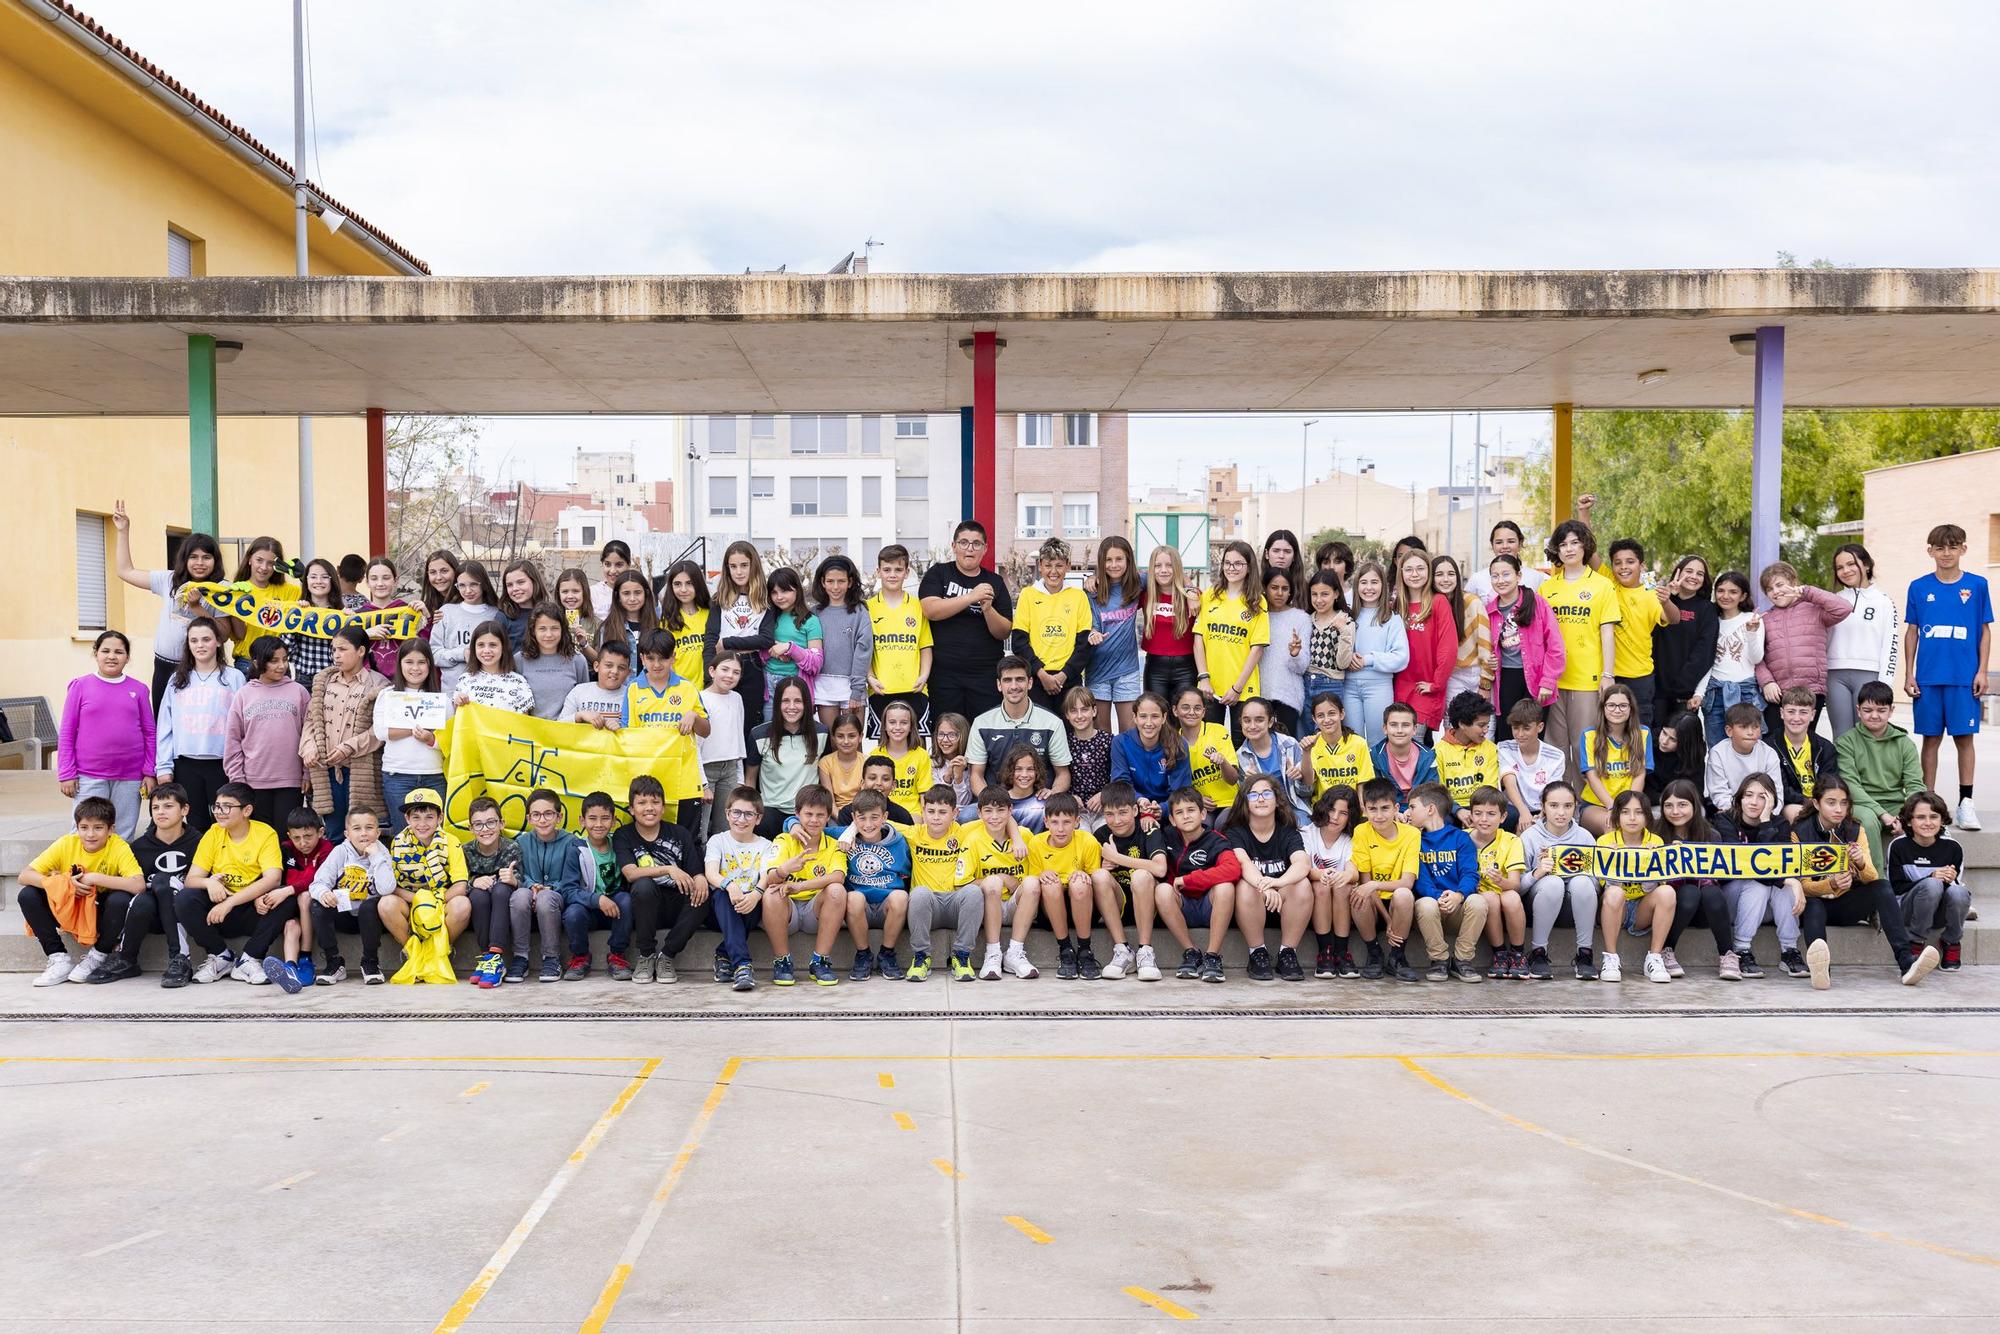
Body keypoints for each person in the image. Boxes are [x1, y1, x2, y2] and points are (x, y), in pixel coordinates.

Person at [1795, 777, 1936, 990]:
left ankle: (1907, 962)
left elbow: (1872, 877)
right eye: (1831, 802)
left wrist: (1860, 862)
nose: (1839, 809)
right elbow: (1803, 886)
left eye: (1844, 803)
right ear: (1816, 804)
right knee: (1813, 904)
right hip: (1816, 906)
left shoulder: (1854, 829)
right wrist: (1830, 884)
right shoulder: (1800, 831)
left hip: (1848, 905)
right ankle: (1822, 971)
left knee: (1882, 886)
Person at [1903, 523, 1992, 830]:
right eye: (1940, 548)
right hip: (1928, 678)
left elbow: (1984, 631)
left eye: (1953, 547)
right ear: (1930, 551)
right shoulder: (1918, 586)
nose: (1946, 553)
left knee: (1964, 739)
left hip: (1963, 678)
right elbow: (1912, 631)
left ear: (1963, 549)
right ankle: (1928, 806)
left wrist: (1981, 670)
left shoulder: (1978, 585)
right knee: (1930, 739)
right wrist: (1909, 673)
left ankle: (1966, 803)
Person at [17, 794, 144, 986]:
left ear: (111, 830)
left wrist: (94, 878)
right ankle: (58, 958)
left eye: (98, 828)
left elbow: (138, 885)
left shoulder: (118, 846)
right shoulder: (66, 843)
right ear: (77, 828)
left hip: (99, 913)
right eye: (84, 828)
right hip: (70, 906)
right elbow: (25, 876)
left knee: (120, 899)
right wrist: (65, 884)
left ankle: (98, 955)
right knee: (27, 894)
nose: (90, 834)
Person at [110, 500, 222, 710]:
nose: (200, 563)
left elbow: (223, 635)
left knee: (195, 723)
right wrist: (123, 531)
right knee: (162, 722)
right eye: (193, 557)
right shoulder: (169, 580)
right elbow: (125, 571)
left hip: (201, 668)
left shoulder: (223, 589)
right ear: (184, 559)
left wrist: (198, 609)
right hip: (164, 665)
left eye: (206, 557)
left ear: (215, 561)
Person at [173, 782, 288, 985]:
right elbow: (192, 879)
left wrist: (230, 902)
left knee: (286, 898)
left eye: (227, 806)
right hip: (217, 911)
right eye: (217, 806)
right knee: (185, 898)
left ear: (247, 810)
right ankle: (220, 956)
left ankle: (250, 958)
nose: (219, 812)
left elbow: (273, 878)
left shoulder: (265, 833)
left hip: (253, 908)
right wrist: (209, 883)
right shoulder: (213, 833)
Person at [94, 784, 201, 986]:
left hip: (185, 914)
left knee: (164, 881)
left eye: (168, 806)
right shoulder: (140, 847)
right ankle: (127, 959)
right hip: (150, 917)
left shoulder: (200, 842)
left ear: (184, 810)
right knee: (139, 900)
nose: (161, 812)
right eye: (156, 807)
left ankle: (180, 959)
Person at [57, 630, 155, 840]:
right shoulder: (80, 686)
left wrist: (149, 771)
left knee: (122, 834)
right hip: (89, 774)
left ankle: (118, 874)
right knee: (86, 833)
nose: (112, 656)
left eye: (119, 651)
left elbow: (149, 732)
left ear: (127, 657)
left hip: (130, 776)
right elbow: (66, 732)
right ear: (95, 653)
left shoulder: (139, 690)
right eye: (106, 651)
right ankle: (81, 872)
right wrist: (66, 772)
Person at [617, 774, 711, 984]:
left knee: (704, 893)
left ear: (663, 807)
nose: (649, 808)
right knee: (642, 886)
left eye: (655, 802)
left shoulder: (680, 833)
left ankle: (667, 955)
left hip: (677, 905)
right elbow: (631, 873)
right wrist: (668, 869)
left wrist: (701, 879)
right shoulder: (624, 835)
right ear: (631, 809)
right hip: (645, 908)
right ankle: (646, 955)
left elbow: (695, 871)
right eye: (642, 803)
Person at [1539, 519, 1621, 760]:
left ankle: (1586, 798)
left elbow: (1608, 632)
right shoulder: (1547, 588)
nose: (1569, 549)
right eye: (1563, 544)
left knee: (1585, 744)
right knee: (1556, 747)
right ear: (1557, 550)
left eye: (1575, 542)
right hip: (1554, 680)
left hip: (1588, 679)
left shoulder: (1602, 585)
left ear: (1585, 546)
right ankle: (1560, 798)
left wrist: (1608, 675)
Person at [1709, 773, 1803, 981]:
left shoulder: (1779, 824)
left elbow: (1779, 863)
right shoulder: (1725, 820)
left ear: (1771, 801)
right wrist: (1787, 880)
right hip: (1731, 902)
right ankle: (1742, 950)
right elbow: (1744, 865)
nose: (1753, 801)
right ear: (1739, 798)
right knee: (1759, 882)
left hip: (1767, 907)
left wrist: (1766, 822)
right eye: (1748, 795)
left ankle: (1790, 951)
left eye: (1762, 796)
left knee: (1782, 886)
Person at [154, 616, 243, 832]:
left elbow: (243, 725)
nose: (200, 645)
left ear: (219, 641)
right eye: (194, 641)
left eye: (206, 639)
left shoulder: (234, 677)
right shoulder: (177, 680)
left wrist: (241, 765)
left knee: (225, 823)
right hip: (186, 764)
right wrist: (163, 767)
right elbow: (165, 726)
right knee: (195, 825)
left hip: (223, 765)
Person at [920, 520, 1013, 722]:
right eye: (963, 542)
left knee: (983, 736)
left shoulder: (995, 582)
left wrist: (988, 609)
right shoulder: (939, 573)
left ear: (985, 549)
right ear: (954, 546)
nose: (969, 549)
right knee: (947, 735)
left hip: (985, 676)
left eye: (976, 544)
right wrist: (970, 597)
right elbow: (930, 610)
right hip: (944, 675)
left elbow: (1004, 631)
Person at [301, 626, 389, 840]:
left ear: (360, 651)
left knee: (362, 832)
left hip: (359, 771)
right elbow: (311, 719)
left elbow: (379, 730)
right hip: (327, 768)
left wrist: (350, 746)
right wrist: (309, 746)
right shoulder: (325, 682)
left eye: (342, 649)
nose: (336, 655)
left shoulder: (379, 684)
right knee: (333, 832)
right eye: (333, 650)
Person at [1222, 772, 1311, 981]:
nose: (1260, 799)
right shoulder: (1236, 832)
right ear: (1245, 802)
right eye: (1253, 795)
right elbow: (1243, 863)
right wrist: (1265, 887)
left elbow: (1302, 863)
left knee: (1303, 884)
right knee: (1245, 886)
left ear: (1278, 800)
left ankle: (1288, 953)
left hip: (1285, 902)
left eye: (1266, 794)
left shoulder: (1287, 831)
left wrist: (1277, 883)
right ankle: (1257, 952)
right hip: (1253, 902)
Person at [380, 787, 472, 984]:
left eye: (429, 817)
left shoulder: (451, 841)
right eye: (416, 817)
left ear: (440, 818)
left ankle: (440, 951)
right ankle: (414, 953)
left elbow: (460, 885)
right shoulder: (398, 842)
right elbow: (390, 886)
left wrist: (433, 902)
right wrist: (420, 901)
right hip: (411, 902)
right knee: (386, 904)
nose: (422, 824)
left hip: (441, 902)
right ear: (407, 819)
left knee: (462, 905)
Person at [760, 784, 848, 986]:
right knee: (772, 893)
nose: (814, 820)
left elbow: (838, 877)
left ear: (828, 817)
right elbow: (771, 877)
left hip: (814, 911)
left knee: (837, 891)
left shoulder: (833, 845)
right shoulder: (783, 840)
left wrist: (801, 886)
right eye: (808, 814)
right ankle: (782, 961)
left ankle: (820, 961)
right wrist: (785, 870)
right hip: (787, 910)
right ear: (797, 814)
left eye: (820, 815)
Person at [1835, 680, 1928, 871]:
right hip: (1862, 804)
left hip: (1897, 804)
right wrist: (1883, 815)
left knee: (1929, 817)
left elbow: (1914, 785)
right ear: (1858, 710)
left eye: (1881, 710)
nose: (1874, 715)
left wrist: (1906, 815)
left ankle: (1933, 878)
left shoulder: (1904, 743)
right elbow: (1850, 785)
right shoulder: (1846, 742)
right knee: (1868, 821)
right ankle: (1877, 881)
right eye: (1868, 710)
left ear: (1891, 710)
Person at [1753, 561, 1851, 738]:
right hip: (1778, 693)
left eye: (1780, 584)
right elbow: (1756, 656)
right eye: (1769, 589)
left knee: (1805, 741)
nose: (1775, 591)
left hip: (1812, 689)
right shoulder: (1765, 619)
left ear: (1794, 582)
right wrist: (1766, 681)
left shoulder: (1814, 610)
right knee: (1775, 743)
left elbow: (1844, 608)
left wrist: (1807, 592)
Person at [223, 637, 310, 833]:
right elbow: (233, 740)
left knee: (286, 837)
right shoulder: (243, 695)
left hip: (291, 781)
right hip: (253, 781)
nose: (281, 666)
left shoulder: (299, 692)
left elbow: (309, 736)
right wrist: (237, 779)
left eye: (285, 659)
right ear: (256, 662)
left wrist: (307, 772)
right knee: (259, 838)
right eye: (274, 661)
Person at [904, 784, 989, 982]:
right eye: (931, 811)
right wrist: (850, 832)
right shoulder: (913, 833)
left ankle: (961, 956)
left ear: (955, 813)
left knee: (973, 892)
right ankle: (921, 957)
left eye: (942, 812)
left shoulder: (963, 832)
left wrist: (1018, 838)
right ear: (922, 811)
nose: (936, 817)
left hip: (955, 905)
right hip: (927, 906)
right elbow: (880, 822)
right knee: (919, 893)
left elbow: (1000, 819)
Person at [1156, 786, 1241, 983]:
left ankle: (1212, 956)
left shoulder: (1216, 840)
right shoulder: (1167, 836)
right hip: (1181, 906)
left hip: (1209, 906)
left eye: (1191, 810)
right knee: (1161, 890)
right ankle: (1191, 952)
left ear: (1203, 813)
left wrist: (1189, 880)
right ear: (1172, 819)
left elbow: (1233, 869)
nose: (1185, 816)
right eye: (1179, 812)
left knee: (1226, 886)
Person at [1404, 782, 1486, 982]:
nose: (1408, 812)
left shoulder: (1460, 838)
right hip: (1430, 910)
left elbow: (1470, 873)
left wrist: (1458, 895)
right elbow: (1419, 878)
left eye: (1413, 807)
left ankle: (1462, 960)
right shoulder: (1414, 839)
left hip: (1457, 907)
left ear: (1430, 809)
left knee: (1478, 901)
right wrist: (1437, 896)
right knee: (1425, 903)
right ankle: (1439, 960)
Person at [1594, 789, 1676, 984]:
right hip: (1616, 908)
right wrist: (1616, 860)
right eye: (1625, 812)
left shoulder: (1656, 841)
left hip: (1642, 908)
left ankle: (1654, 958)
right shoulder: (1605, 841)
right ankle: (1611, 958)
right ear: (1617, 816)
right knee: (1614, 892)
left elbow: (1653, 887)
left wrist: (1648, 859)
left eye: (1639, 812)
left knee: (1667, 892)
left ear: (1647, 817)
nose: (1632, 818)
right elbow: (1607, 887)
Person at [1519, 781, 1598, 980]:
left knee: (1582, 882)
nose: (1561, 812)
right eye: (1554, 805)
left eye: (1568, 806)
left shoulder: (1585, 837)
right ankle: (1538, 954)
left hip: (1574, 905)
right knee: (1552, 883)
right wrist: (1536, 873)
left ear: (1575, 807)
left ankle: (1585, 954)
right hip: (1537, 904)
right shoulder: (1529, 837)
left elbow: (1596, 886)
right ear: (1543, 807)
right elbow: (1515, 888)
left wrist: (1580, 873)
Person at [959, 784, 1039, 979]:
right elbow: (961, 885)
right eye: (988, 811)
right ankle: (993, 952)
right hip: (987, 905)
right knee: (993, 882)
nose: (994, 816)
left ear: (1010, 811)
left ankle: (1014, 952)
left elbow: (1037, 873)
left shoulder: (1025, 836)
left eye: (1001, 810)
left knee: (1032, 883)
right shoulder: (973, 839)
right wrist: (1001, 878)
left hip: (1017, 906)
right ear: (979, 813)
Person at [1030, 793, 1112, 980]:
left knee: (1080, 883)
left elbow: (1096, 878)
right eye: (1055, 822)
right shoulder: (1036, 843)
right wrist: (1042, 874)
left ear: (1077, 821)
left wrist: (1085, 875)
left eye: (1066, 822)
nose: (1060, 829)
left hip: (1083, 906)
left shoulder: (1088, 841)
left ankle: (1085, 951)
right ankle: (1065, 950)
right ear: (1046, 822)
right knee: (1050, 884)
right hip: (1050, 910)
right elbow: (1032, 879)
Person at [1886, 791, 1971, 972]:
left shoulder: (1953, 847)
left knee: (1960, 891)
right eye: (1920, 817)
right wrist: (1930, 878)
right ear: (1909, 821)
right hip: (1908, 910)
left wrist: (1948, 880)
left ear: (1942, 820)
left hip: (1939, 912)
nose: (1928, 822)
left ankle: (1951, 941)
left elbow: (1953, 890)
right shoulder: (1899, 846)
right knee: (1932, 884)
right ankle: (1915, 940)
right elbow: (1896, 888)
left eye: (1934, 816)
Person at [967, 656, 1072, 800]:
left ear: (1030, 683)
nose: (1014, 686)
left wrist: (1053, 792)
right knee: (966, 817)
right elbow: (976, 775)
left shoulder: (1052, 723)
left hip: (1036, 802)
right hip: (996, 803)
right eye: (1007, 680)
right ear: (999, 685)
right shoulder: (981, 723)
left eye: (1020, 679)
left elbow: (1063, 774)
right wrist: (990, 802)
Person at [374, 640, 451, 836]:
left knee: (436, 836)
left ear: (429, 665)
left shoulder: (441, 699)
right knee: (403, 836)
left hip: (434, 775)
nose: (415, 668)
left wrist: (430, 739)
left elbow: (450, 740)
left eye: (421, 662)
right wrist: (415, 728)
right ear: (400, 663)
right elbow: (382, 732)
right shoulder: (388, 694)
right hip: (397, 775)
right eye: (409, 662)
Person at [835, 790, 913, 980]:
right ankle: (863, 955)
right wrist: (850, 831)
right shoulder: (842, 835)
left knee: (900, 896)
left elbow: (907, 871)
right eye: (861, 818)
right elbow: (807, 828)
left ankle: (887, 953)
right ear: (853, 818)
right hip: (859, 909)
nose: (868, 824)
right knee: (853, 897)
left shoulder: (899, 841)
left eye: (874, 818)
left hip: (888, 907)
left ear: (885, 817)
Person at [1195, 540, 1269, 739]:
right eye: (1227, 563)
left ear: (1249, 567)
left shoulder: (1257, 601)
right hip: (1211, 688)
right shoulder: (1210, 595)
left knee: (1242, 747)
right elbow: (1199, 639)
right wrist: (1204, 678)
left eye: (1238, 563)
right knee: (1210, 745)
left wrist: (1237, 688)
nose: (1231, 568)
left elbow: (1257, 649)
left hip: (1243, 689)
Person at [1825, 542, 1900, 737]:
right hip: (1835, 675)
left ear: (1866, 565)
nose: (1846, 571)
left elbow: (1891, 646)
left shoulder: (1884, 602)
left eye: (1851, 564)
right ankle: (1843, 770)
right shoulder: (1832, 600)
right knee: (1841, 735)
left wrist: (1885, 684)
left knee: (1868, 734)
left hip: (1869, 675)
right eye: (1840, 567)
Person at [705, 786, 776, 991]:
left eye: (748, 814)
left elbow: (766, 877)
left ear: (758, 818)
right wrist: (730, 885)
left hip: (751, 906)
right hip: (719, 910)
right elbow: (711, 873)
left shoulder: (766, 845)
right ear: (727, 814)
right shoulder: (718, 840)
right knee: (721, 894)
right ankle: (743, 965)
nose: (741, 819)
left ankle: (724, 953)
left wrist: (756, 894)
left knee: (760, 899)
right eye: (736, 812)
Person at [1011, 537, 1095, 714]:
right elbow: (1019, 643)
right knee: (1038, 737)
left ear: (1068, 566)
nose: (1053, 571)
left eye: (1059, 565)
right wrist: (1041, 674)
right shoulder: (1028, 595)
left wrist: (1063, 675)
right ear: (1040, 565)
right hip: (1037, 678)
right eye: (1048, 565)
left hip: (1069, 679)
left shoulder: (1078, 597)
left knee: (1069, 736)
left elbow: (1084, 645)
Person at [1351, 777, 1422, 982]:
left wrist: (1375, 884)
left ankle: (1397, 957)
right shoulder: (1361, 831)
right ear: (1364, 809)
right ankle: (1374, 953)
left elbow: (1407, 882)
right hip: (1374, 902)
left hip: (1397, 899)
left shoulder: (1411, 834)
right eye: (1373, 809)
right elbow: (1366, 883)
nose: (1379, 815)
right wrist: (1388, 920)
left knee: (1404, 895)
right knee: (1358, 896)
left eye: (1385, 808)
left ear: (1396, 808)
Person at [1096, 782, 1168, 979]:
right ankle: (1122, 950)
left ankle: (1145, 950)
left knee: (1141, 875)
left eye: (1122, 812)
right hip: (1117, 906)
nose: (1116, 820)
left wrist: (1117, 858)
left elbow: (1160, 868)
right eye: (1110, 814)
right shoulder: (1101, 835)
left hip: (1146, 905)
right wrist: (1102, 867)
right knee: (1099, 876)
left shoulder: (1148, 829)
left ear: (1135, 810)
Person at [514, 789, 584, 985]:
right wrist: (531, 886)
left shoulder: (571, 842)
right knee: (519, 896)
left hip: (557, 896)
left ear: (559, 816)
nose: (542, 820)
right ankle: (520, 957)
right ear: (529, 818)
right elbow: (519, 873)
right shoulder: (521, 842)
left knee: (546, 899)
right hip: (530, 894)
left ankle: (551, 958)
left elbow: (572, 877)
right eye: (536, 815)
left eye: (548, 814)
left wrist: (550, 889)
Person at [1484, 553, 1564, 723]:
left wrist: (1548, 681)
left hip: (1535, 678)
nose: (1500, 580)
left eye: (1506, 574)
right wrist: (1489, 660)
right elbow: (1486, 647)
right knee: (1507, 733)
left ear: (1518, 576)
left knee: (1533, 732)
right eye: (1495, 576)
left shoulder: (1537, 603)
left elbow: (1555, 645)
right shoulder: (1489, 610)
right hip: (1505, 678)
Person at [864, 544, 933, 737]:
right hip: (881, 690)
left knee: (917, 748)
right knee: (885, 752)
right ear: (878, 572)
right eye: (887, 569)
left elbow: (925, 646)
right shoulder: (867, 608)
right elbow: (864, 649)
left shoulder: (918, 606)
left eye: (898, 569)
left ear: (907, 572)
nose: (892, 575)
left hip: (914, 688)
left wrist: (924, 676)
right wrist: (869, 677)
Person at [1651, 554, 1720, 738]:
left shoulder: (1708, 609)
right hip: (1656, 689)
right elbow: (1651, 637)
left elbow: (1704, 651)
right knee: (1657, 741)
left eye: (1700, 574)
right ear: (1678, 573)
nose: (1693, 576)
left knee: (1682, 744)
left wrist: (1683, 686)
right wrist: (1668, 598)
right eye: (1689, 571)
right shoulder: (1660, 601)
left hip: (1685, 693)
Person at [1390, 550, 1457, 741]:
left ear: (1428, 571)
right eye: (1409, 569)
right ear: (1401, 572)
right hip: (1400, 687)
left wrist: (1436, 683)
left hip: (1424, 688)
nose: (1415, 574)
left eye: (1420, 568)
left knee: (1414, 743)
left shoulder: (1438, 602)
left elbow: (1448, 648)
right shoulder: (1397, 605)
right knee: (1399, 746)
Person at [712, 541, 774, 746]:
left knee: (748, 726)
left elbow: (765, 639)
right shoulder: (719, 599)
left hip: (752, 668)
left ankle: (747, 777)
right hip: (722, 667)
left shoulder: (765, 599)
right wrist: (708, 673)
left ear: (753, 565)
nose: (739, 572)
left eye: (744, 565)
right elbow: (711, 640)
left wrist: (728, 642)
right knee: (721, 725)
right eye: (733, 566)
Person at [1600, 537, 1667, 723]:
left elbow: (1672, 617)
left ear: (1641, 565)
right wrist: (1584, 511)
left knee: (1639, 728)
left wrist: (1667, 600)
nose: (1623, 567)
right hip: (1609, 674)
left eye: (1630, 562)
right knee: (1609, 728)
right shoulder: (1609, 583)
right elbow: (1591, 554)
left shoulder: (1651, 593)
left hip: (1640, 676)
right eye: (1617, 563)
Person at [1341, 561, 1408, 746]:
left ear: (1383, 586)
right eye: (1363, 582)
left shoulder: (1392, 619)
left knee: (1378, 741)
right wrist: (1348, 658)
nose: (1368, 587)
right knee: (1352, 741)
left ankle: (1378, 776)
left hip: (1378, 686)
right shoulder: (1347, 616)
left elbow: (1401, 657)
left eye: (1374, 582)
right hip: (1349, 686)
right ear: (1356, 586)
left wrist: (1368, 660)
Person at [461, 796, 525, 986]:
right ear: (471, 828)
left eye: (491, 822)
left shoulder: (511, 847)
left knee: (501, 890)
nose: (485, 829)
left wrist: (514, 880)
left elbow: (522, 879)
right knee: (479, 896)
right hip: (480, 905)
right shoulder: (466, 851)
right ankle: (486, 958)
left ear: (501, 823)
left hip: (503, 902)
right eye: (478, 825)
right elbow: (456, 882)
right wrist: (474, 882)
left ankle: (496, 958)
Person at [1464, 786, 1528, 979]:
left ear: (1502, 817)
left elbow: (1515, 884)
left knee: (1511, 898)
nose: (1484, 819)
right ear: (1471, 815)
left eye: (1491, 814)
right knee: (1490, 898)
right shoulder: (1462, 838)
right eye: (1478, 813)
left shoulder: (1511, 840)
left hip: (1504, 890)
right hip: (1478, 898)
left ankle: (1518, 953)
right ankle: (1499, 953)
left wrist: (1500, 880)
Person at [267, 806, 331, 991]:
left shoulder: (327, 849)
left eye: (308, 836)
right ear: (289, 835)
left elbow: (315, 879)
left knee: (305, 896)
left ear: (320, 832)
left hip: (314, 905)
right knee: (291, 926)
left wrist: (287, 890)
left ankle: (306, 959)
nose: (302, 843)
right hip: (289, 907)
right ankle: (290, 968)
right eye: (296, 838)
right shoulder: (285, 849)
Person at [749, 677, 823, 836]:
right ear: (777, 704)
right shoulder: (759, 735)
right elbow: (750, 782)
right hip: (771, 810)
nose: (791, 707)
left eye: (798, 701)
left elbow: (826, 774)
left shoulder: (821, 733)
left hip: (808, 810)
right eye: (785, 701)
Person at [1697, 571, 1764, 745]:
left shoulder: (1752, 619)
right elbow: (1707, 662)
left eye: (1733, 592)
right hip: (1715, 693)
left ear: (1743, 596)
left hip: (1746, 692)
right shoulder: (1710, 620)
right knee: (1717, 749)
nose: (1725, 596)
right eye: (1721, 590)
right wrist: (1699, 693)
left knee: (1750, 746)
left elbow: (1756, 659)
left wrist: (1751, 632)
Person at [1575, 682, 1651, 834]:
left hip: (1630, 804)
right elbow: (1592, 777)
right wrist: (1612, 808)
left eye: (1623, 705)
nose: (1617, 710)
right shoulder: (1590, 735)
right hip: (1597, 805)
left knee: (1636, 825)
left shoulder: (1643, 733)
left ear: (1631, 708)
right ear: (1603, 708)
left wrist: (1628, 808)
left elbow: (1640, 774)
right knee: (1611, 825)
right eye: (1611, 705)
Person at [1086, 536, 1145, 731]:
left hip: (1127, 671)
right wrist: (1093, 633)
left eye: (1119, 559)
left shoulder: (1138, 583)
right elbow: (1090, 624)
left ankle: (1125, 764)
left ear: (1128, 560)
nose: (1113, 565)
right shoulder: (1092, 590)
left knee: (1129, 733)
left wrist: (1192, 591)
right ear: (1101, 562)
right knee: (1102, 734)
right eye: (1108, 560)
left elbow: (1174, 574)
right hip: (1098, 671)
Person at [1303, 784, 1360, 978]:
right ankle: (1325, 951)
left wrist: (1346, 875)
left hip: (1339, 895)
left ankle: (1342, 952)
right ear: (1322, 808)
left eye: (1343, 813)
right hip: (1315, 898)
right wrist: (1321, 874)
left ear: (1350, 816)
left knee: (1343, 886)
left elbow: (1353, 870)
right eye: (1331, 809)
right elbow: (1303, 867)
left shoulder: (1350, 839)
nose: (1335, 817)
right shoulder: (1307, 833)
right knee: (1321, 886)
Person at [219, 536, 299, 669]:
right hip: (247, 662)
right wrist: (236, 601)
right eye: (259, 560)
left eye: (271, 563)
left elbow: (315, 599)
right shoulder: (237, 589)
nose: (264, 567)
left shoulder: (289, 591)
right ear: (249, 559)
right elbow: (240, 634)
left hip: (278, 663)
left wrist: (302, 576)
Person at [811, 555, 873, 727]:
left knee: (853, 743)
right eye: (830, 581)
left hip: (852, 686)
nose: (835, 587)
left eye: (841, 581)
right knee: (832, 743)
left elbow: (864, 651)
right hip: (824, 685)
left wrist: (856, 691)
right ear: (822, 582)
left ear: (850, 582)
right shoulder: (814, 613)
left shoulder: (860, 612)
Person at [1232, 696, 1311, 829]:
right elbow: (1245, 803)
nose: (1252, 726)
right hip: (1261, 813)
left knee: (1302, 827)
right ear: (1241, 722)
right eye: (1247, 720)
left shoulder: (1289, 744)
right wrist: (1248, 786)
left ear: (1270, 722)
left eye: (1259, 720)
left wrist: (1299, 777)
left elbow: (1306, 792)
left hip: (1294, 809)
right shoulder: (1240, 756)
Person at [1139, 544, 1201, 703]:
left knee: (1185, 718)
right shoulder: (1146, 595)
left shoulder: (1193, 596)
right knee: (1157, 717)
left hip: (1187, 667)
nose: (1163, 570)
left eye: (1169, 565)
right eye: (1158, 566)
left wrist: (1191, 591)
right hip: (1155, 667)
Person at [696, 653, 748, 834]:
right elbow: (695, 745)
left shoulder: (737, 698)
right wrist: (703, 784)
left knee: (726, 827)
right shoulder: (701, 698)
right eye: (724, 669)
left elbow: (738, 737)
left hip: (730, 770)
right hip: (706, 769)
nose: (729, 676)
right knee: (701, 829)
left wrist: (740, 778)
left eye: (736, 672)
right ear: (712, 670)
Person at [1704, 701, 1783, 820]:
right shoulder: (1718, 753)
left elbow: (1776, 793)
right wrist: (1745, 815)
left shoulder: (1769, 753)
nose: (1750, 732)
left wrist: (1766, 814)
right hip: (1731, 813)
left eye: (1755, 727)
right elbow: (1719, 794)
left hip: (1764, 813)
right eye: (1744, 727)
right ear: (1729, 731)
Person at [1497, 699, 1566, 832]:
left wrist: (1544, 813)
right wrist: (1523, 812)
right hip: (1515, 809)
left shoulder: (1556, 756)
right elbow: (1509, 782)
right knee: (1522, 829)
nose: (1520, 734)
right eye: (1515, 728)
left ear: (1539, 727)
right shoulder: (1504, 748)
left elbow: (1553, 791)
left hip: (1543, 809)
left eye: (1526, 728)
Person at [1432, 555, 1491, 711]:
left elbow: (1485, 645)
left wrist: (1485, 683)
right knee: (1454, 726)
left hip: (1476, 673)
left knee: (1483, 726)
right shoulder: (1429, 605)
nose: (1446, 579)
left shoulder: (1472, 602)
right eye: (1439, 574)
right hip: (1450, 675)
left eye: (1451, 574)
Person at [1433, 692, 1502, 825]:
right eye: (1481, 725)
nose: (1486, 730)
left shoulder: (1490, 748)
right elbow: (1438, 792)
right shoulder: (1438, 751)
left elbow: (1489, 788)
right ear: (1463, 724)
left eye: (1487, 725)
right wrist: (1457, 810)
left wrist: (1478, 814)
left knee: (1511, 815)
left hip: (1482, 807)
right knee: (1442, 820)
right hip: (1451, 809)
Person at [1771, 686, 1838, 822]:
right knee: (1796, 813)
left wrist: (1818, 802)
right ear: (1782, 713)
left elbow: (1830, 782)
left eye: (1803, 712)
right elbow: (1779, 787)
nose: (1796, 718)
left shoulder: (1824, 747)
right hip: (1789, 803)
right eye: (1791, 711)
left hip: (1820, 802)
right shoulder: (1770, 746)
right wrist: (1807, 802)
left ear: (1812, 715)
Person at [1300, 570, 1356, 733]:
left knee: (1326, 734)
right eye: (1314, 594)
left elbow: (1343, 663)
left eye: (1325, 594)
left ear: (1336, 594)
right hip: (1305, 682)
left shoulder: (1345, 621)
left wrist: (1343, 631)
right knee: (1305, 734)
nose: (1318, 600)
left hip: (1331, 683)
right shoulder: (1307, 619)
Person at [761, 567, 825, 708]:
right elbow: (759, 651)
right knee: (768, 729)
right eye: (774, 592)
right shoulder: (767, 618)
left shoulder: (810, 621)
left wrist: (790, 648)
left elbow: (816, 663)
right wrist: (774, 651)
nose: (779, 597)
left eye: (784, 591)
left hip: (796, 686)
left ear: (797, 590)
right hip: (768, 685)